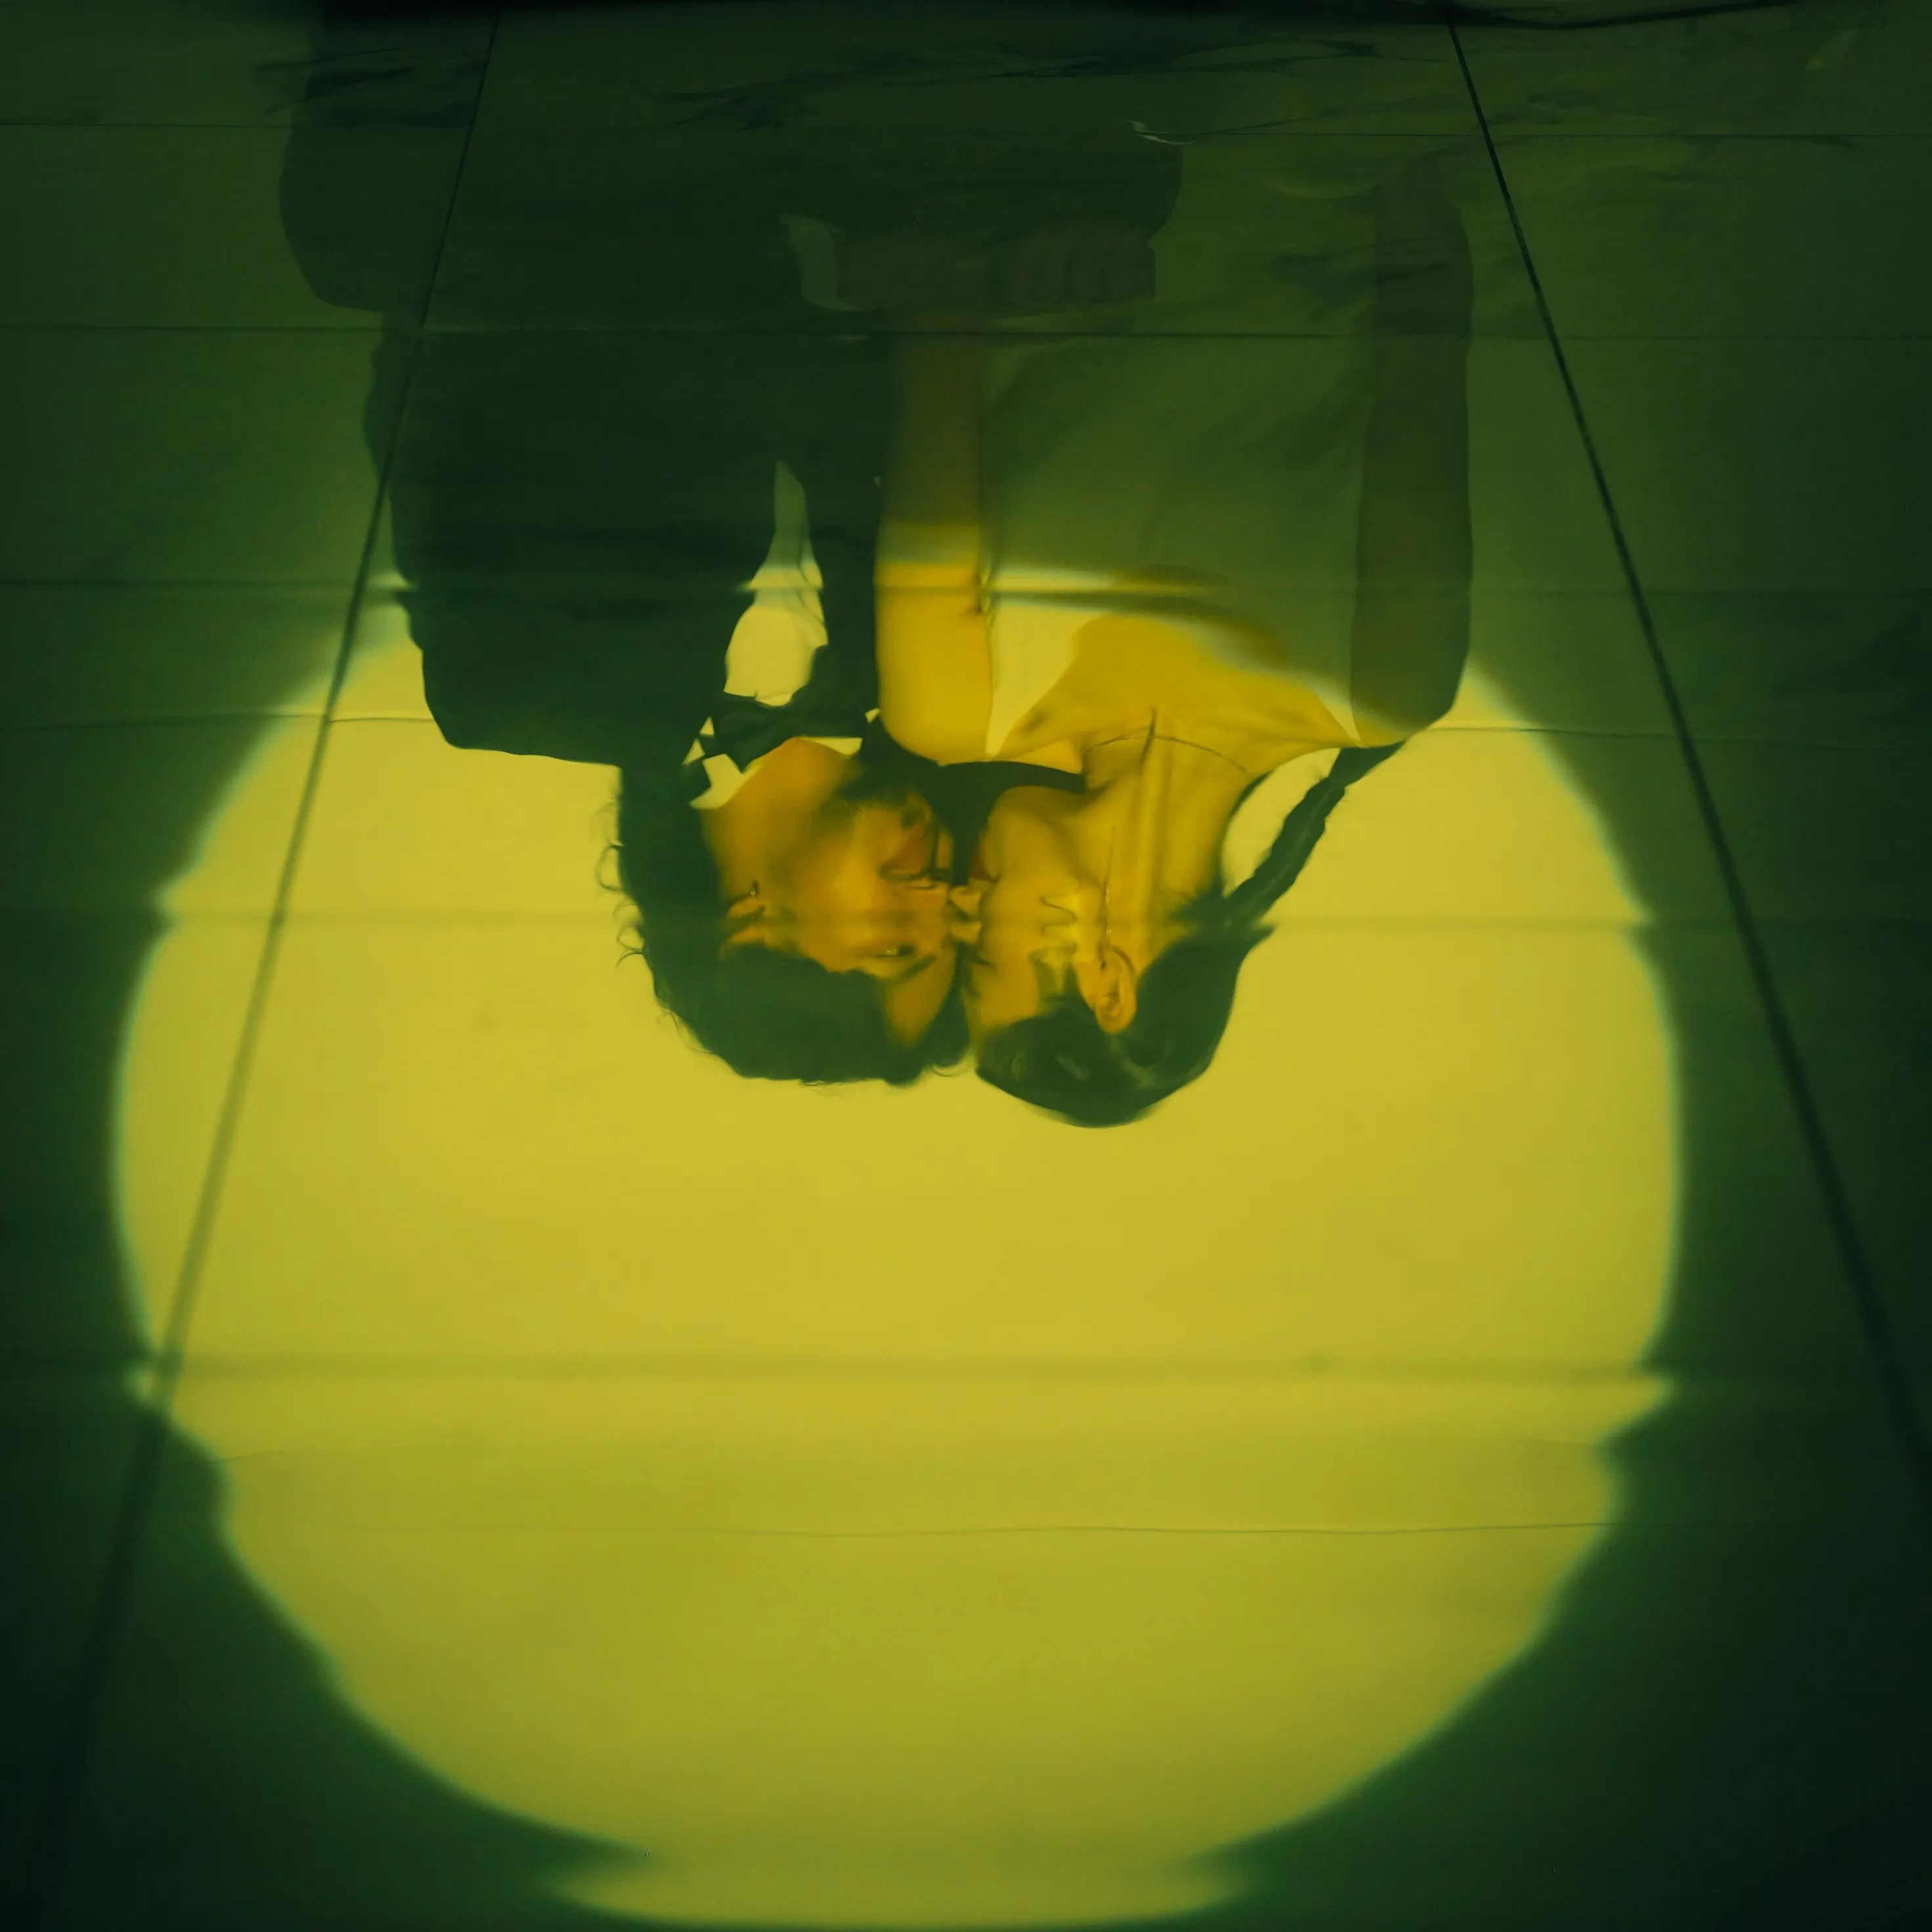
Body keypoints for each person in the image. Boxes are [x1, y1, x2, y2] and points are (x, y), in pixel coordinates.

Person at [872, 143, 1477, 1124]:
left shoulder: (951, 707)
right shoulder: (1381, 685)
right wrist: (1378, 138)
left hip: (1052, 154)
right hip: (1312, 166)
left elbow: (932, 322)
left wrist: (1022, 250)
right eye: (981, 957)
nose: (955, 908)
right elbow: (1426, 320)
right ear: (1109, 983)